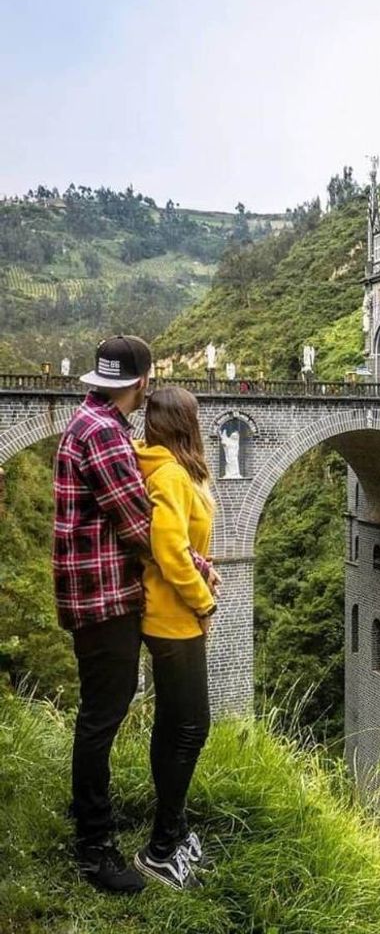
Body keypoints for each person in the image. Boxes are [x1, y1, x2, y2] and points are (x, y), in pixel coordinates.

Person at [53, 335, 217, 895]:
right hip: (102, 598)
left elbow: (152, 527)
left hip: (107, 595)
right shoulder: (103, 434)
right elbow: (143, 527)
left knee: (107, 714)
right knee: (102, 717)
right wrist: (200, 584)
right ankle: (95, 849)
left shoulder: (100, 426)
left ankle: (104, 825)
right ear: (143, 383)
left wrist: (192, 561)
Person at [132, 386, 218, 890]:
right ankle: (161, 848)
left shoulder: (166, 468)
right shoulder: (168, 473)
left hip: (174, 613)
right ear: (187, 423)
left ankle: (175, 829)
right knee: (190, 728)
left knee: (173, 726)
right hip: (173, 619)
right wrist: (202, 600)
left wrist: (204, 571)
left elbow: (181, 545)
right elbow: (167, 550)